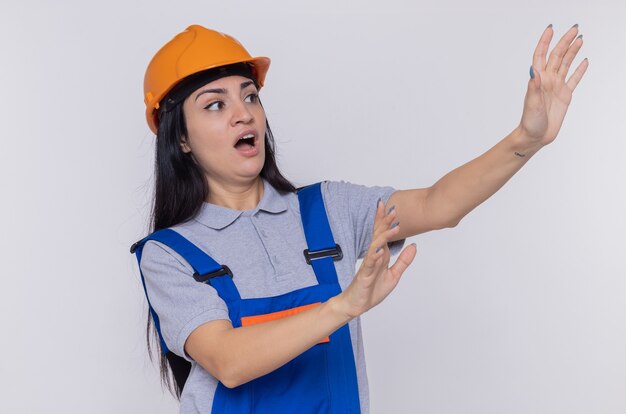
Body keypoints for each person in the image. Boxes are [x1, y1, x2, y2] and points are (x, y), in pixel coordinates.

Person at [131, 24, 588, 413]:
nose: (242, 114)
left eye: (249, 97)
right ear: (182, 140)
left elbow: (438, 204)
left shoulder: (326, 209)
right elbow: (228, 362)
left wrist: (526, 139)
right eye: (215, 104)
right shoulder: (167, 254)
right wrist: (344, 306)